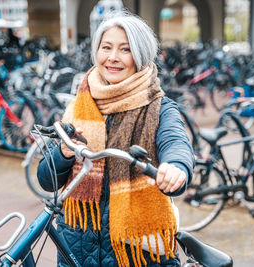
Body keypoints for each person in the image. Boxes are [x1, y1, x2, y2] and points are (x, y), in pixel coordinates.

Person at [37, 11, 194, 267]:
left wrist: (176, 168)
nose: (112, 57)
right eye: (106, 47)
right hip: (77, 245)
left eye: (125, 49)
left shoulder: (160, 107)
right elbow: (46, 179)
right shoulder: (78, 107)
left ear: (140, 55)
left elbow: (176, 142)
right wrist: (63, 153)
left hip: (136, 253)